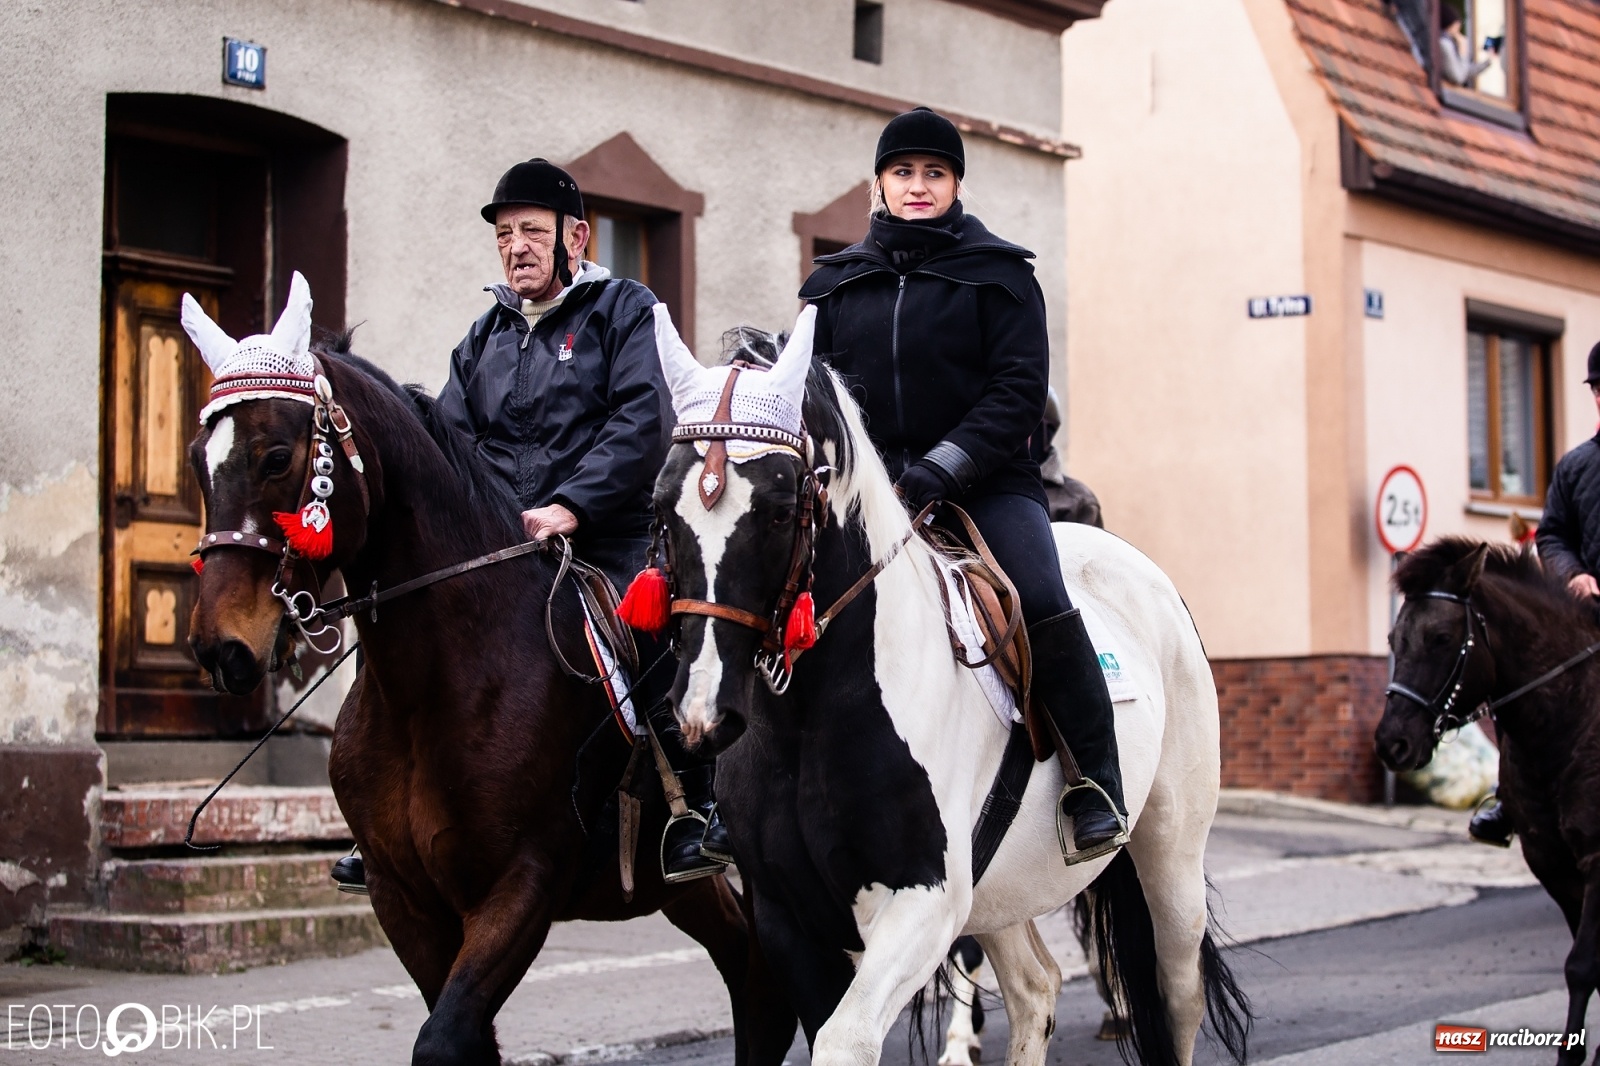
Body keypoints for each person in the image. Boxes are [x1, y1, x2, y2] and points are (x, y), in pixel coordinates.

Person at [331, 159, 728, 891]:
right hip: (506, 546)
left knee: (641, 637)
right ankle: (381, 820)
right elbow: (443, 443)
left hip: (607, 537)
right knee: (400, 623)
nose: (516, 247)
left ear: (575, 237)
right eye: (505, 234)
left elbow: (645, 422)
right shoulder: (482, 339)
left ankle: (690, 808)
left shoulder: (624, 310)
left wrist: (571, 504)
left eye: (533, 232)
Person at [798, 108, 1127, 859]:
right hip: (869, 492)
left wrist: (941, 468)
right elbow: (808, 392)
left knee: (1038, 594)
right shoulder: (833, 285)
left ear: (956, 185)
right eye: (904, 173)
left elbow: (1016, 394)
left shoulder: (1002, 276)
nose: (919, 186)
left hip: (985, 484)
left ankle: (1093, 779)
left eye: (934, 174)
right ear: (879, 183)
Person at [1477, 340, 1600, 848]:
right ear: (1596, 396)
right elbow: (1551, 534)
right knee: (1525, 682)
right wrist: (1573, 574)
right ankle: (1511, 798)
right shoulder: (1576, 467)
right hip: (1586, 614)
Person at [1439, 5, 1497, 88]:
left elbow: (1465, 71)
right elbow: (1458, 76)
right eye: (1457, 24)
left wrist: (1487, 62)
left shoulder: (1449, 42)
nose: (1459, 27)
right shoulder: (1444, 44)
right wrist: (1463, 53)